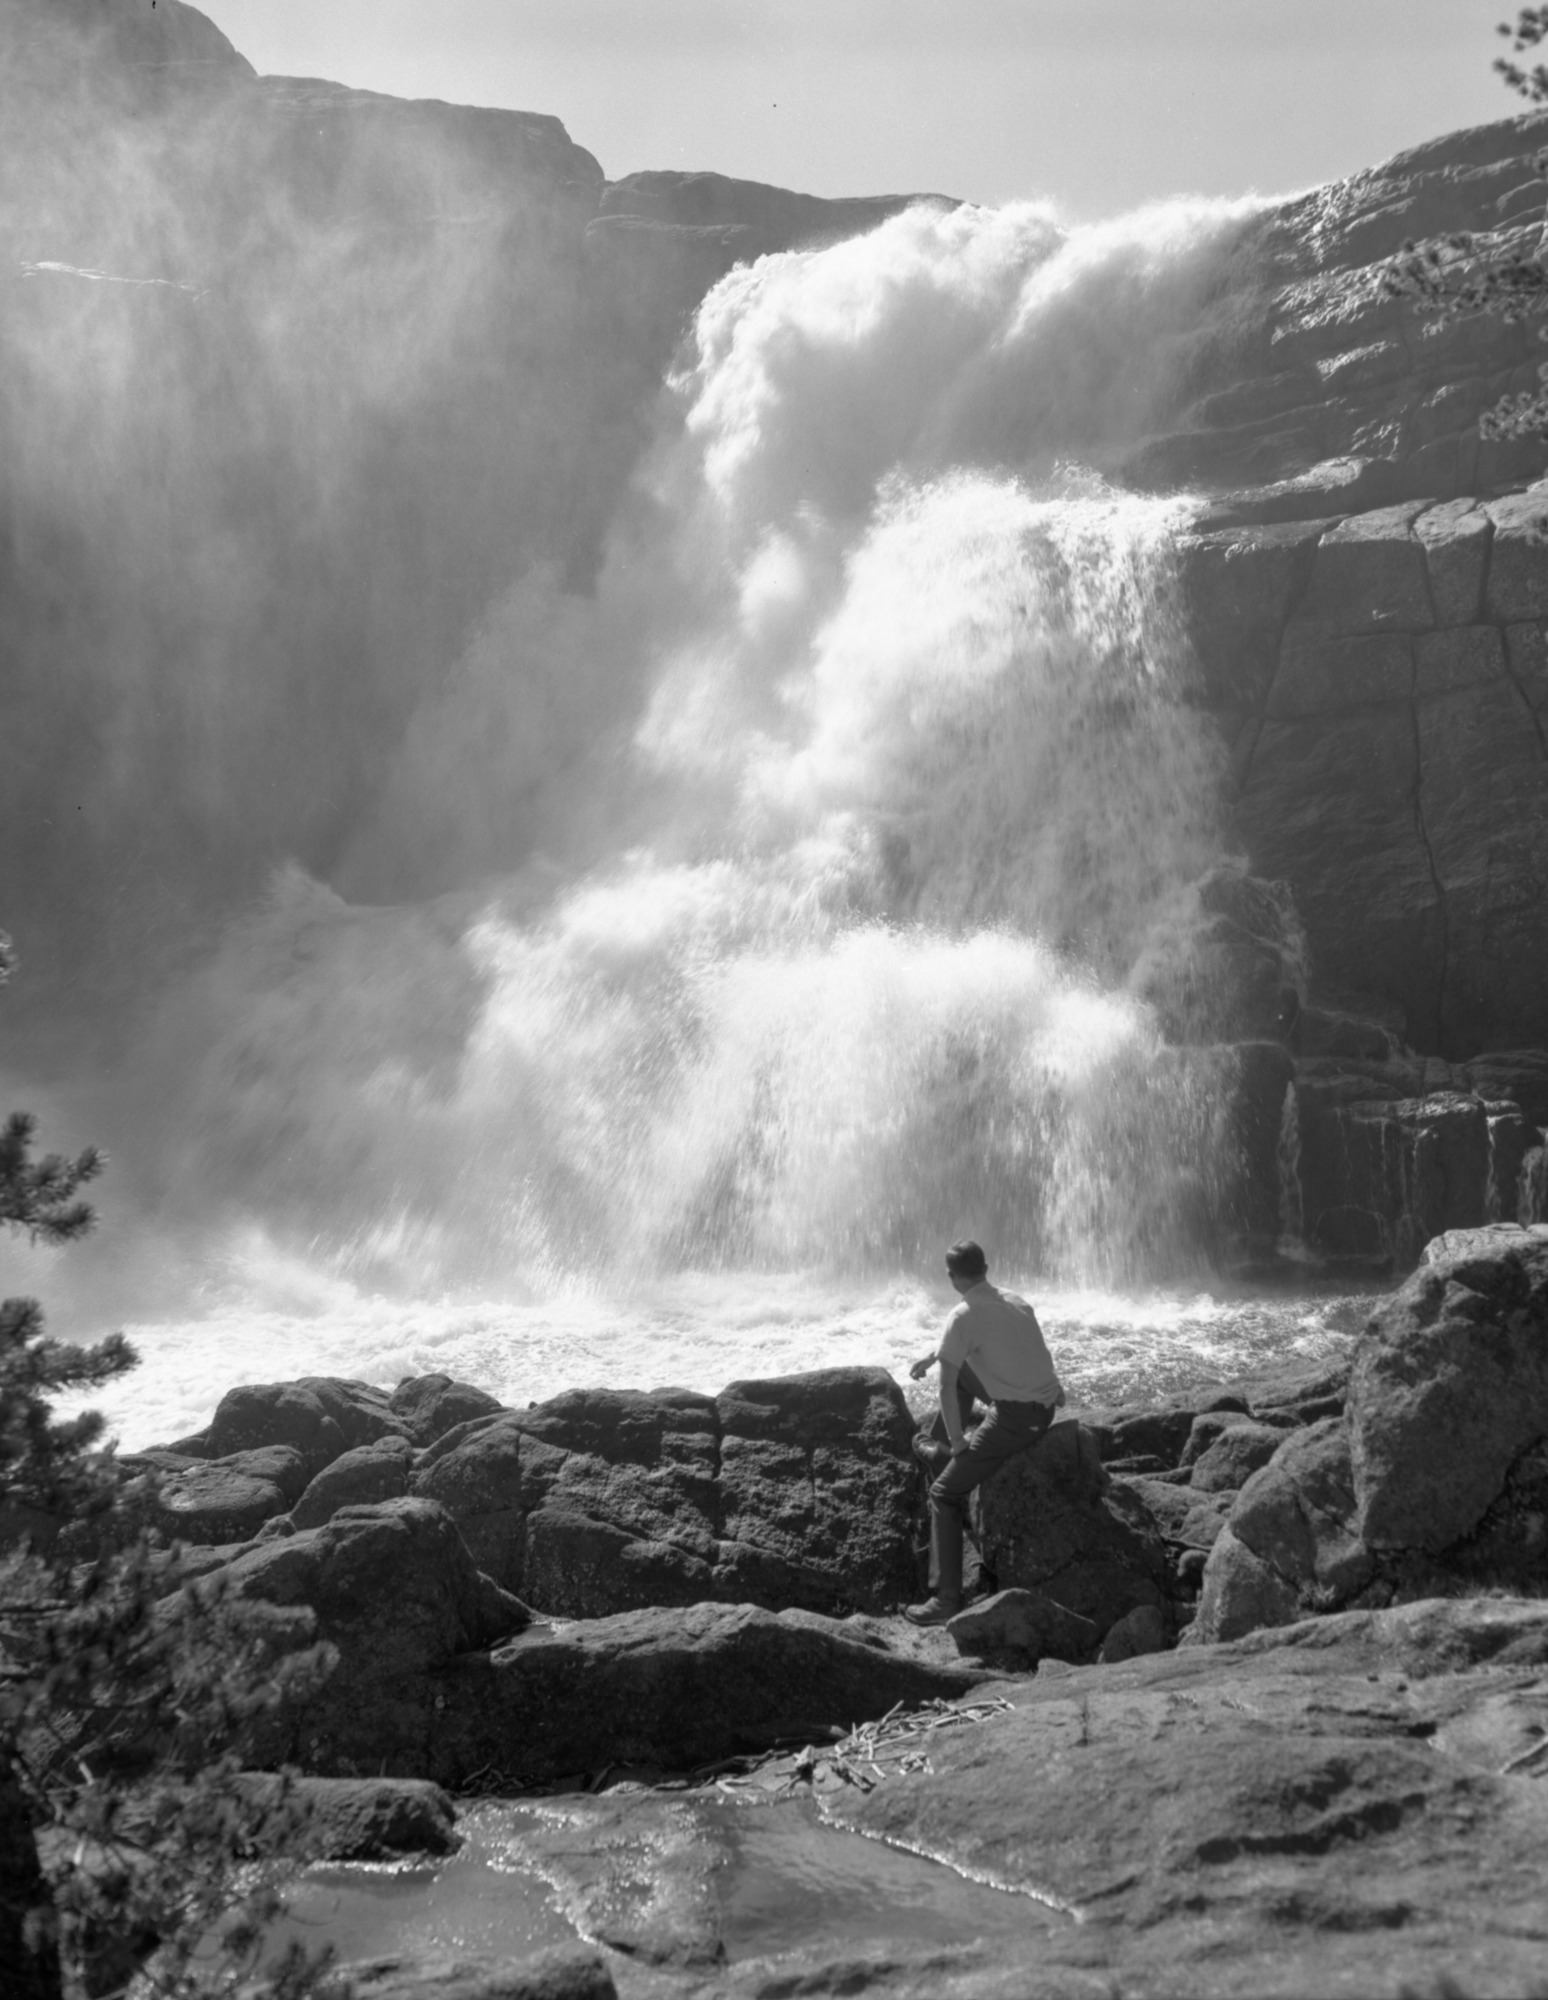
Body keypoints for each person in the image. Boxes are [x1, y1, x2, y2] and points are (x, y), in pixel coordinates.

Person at [903, 1239, 1063, 1627]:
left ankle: (946, 1599)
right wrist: (936, 1355)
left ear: (951, 1277)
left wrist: (961, 1443)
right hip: (1043, 1405)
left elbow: (944, 1387)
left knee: (944, 1493)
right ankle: (941, 1452)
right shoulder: (1015, 1301)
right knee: (959, 1372)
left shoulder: (962, 1315)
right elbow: (1002, 1344)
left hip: (1016, 1419)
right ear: (986, 1269)